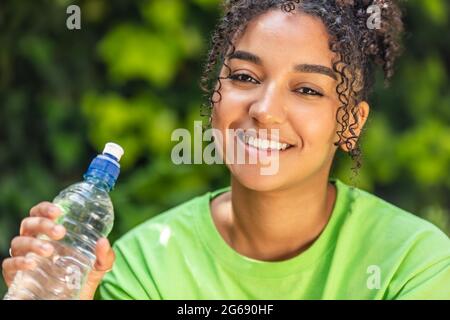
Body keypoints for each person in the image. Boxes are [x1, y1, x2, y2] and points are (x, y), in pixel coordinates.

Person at [2, 0, 449, 300]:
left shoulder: (410, 264)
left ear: (351, 122)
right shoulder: (146, 267)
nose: (265, 110)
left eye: (307, 89)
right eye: (245, 78)